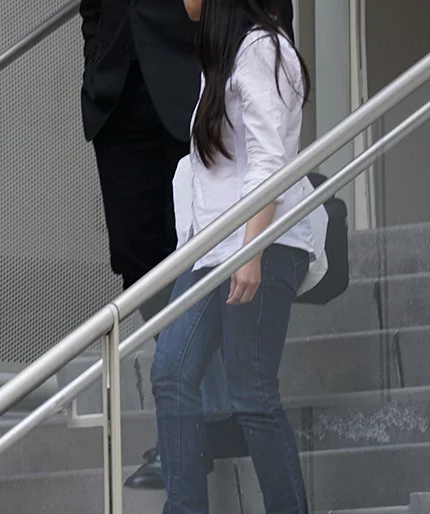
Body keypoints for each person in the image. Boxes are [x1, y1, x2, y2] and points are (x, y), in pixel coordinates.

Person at [79, 0, 290, 489]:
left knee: (205, 249)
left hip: (195, 73)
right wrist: (96, 56)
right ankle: (194, 421)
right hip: (117, 93)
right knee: (138, 261)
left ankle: (212, 419)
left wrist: (272, 54)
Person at [152, 0, 313, 511]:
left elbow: (269, 161)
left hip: (262, 242)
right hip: (213, 250)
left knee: (251, 392)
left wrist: (252, 251)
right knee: (171, 371)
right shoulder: (221, 59)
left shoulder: (261, 48)